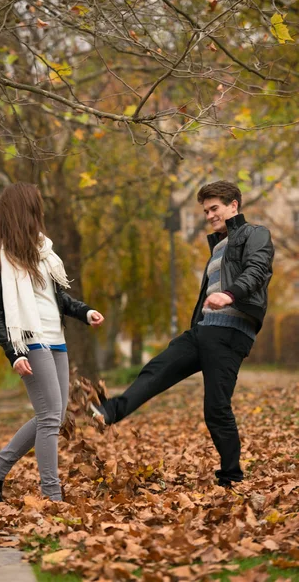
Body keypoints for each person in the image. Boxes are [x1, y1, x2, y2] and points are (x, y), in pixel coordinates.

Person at [90, 180, 274, 488]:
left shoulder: (255, 235)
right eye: (205, 211)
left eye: (214, 208)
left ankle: (232, 476)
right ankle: (110, 410)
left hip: (231, 333)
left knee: (216, 407)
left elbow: (257, 271)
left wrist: (228, 295)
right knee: (157, 369)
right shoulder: (217, 245)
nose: (209, 215)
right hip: (204, 330)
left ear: (233, 205)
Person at [0, 183, 104, 504]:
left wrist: (85, 311)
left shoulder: (43, 252)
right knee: (49, 418)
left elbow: (56, 298)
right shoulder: (1, 259)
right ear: (24, 211)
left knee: (53, 415)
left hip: (55, 339)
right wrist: (14, 354)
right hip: (29, 341)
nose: (39, 213)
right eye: (35, 207)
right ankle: (51, 495)